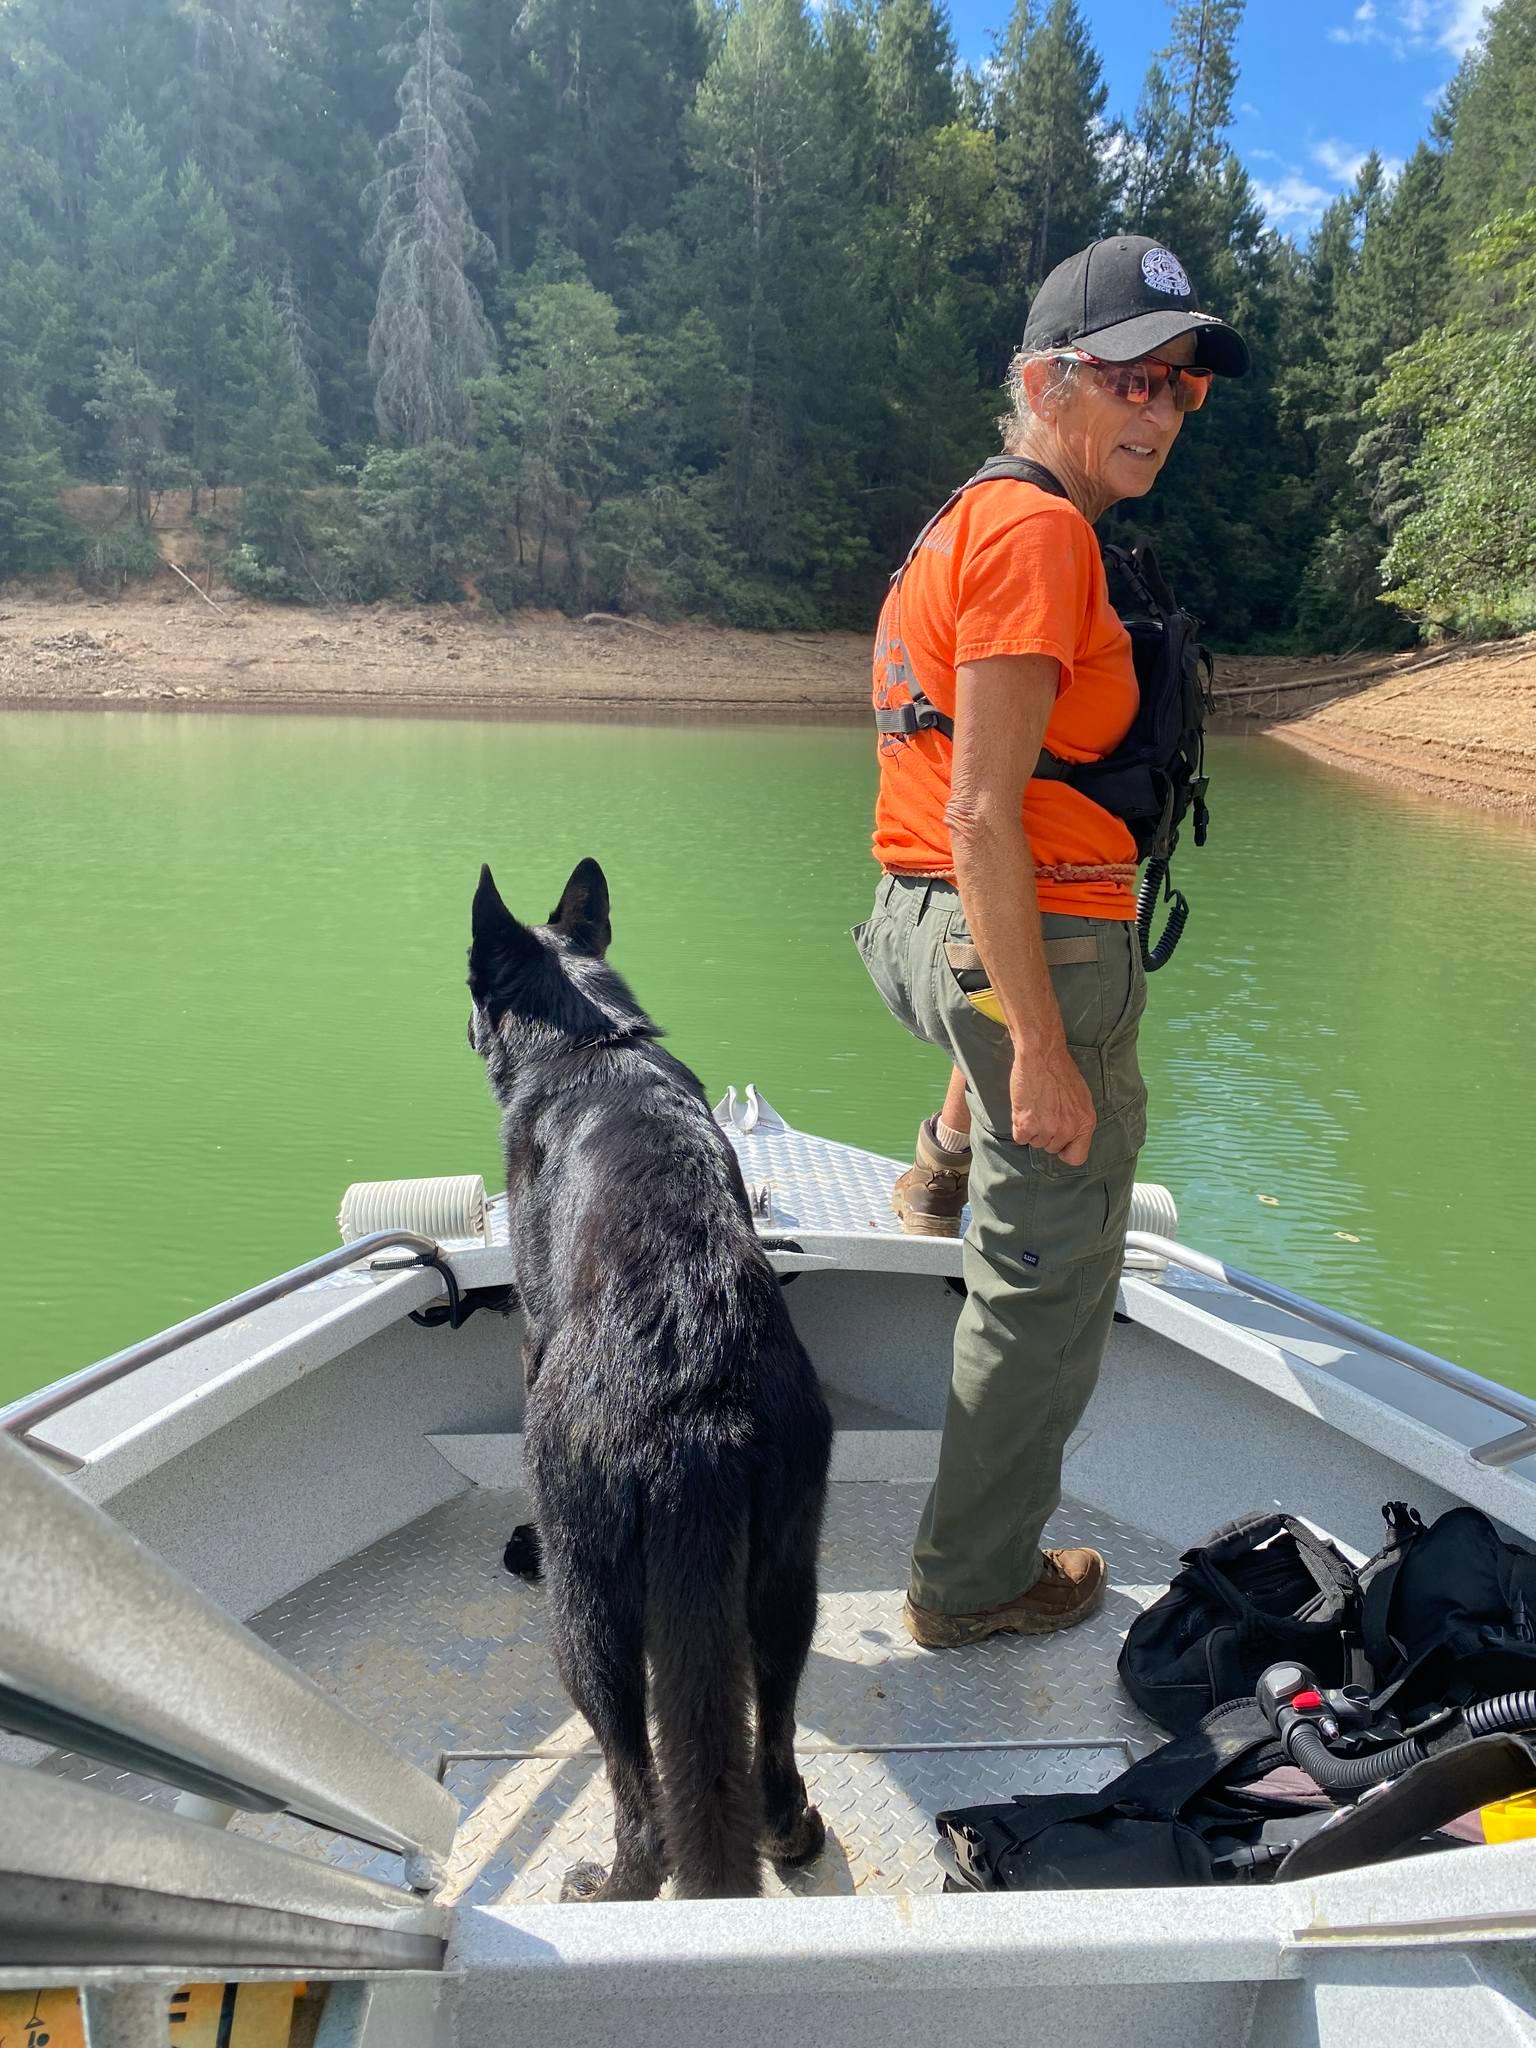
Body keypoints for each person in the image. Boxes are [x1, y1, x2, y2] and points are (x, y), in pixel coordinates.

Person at [854, 235, 1248, 1649]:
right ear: (1044, 378)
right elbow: (984, 812)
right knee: (1048, 1279)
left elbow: (945, 808)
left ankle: (940, 1159)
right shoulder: (1041, 535)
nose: (1157, 410)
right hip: (1030, 946)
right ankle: (972, 1584)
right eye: (1130, 378)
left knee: (1013, 1174)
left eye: (1181, 389)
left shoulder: (967, 519)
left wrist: (982, 1057)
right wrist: (1035, 1049)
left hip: (909, 925)